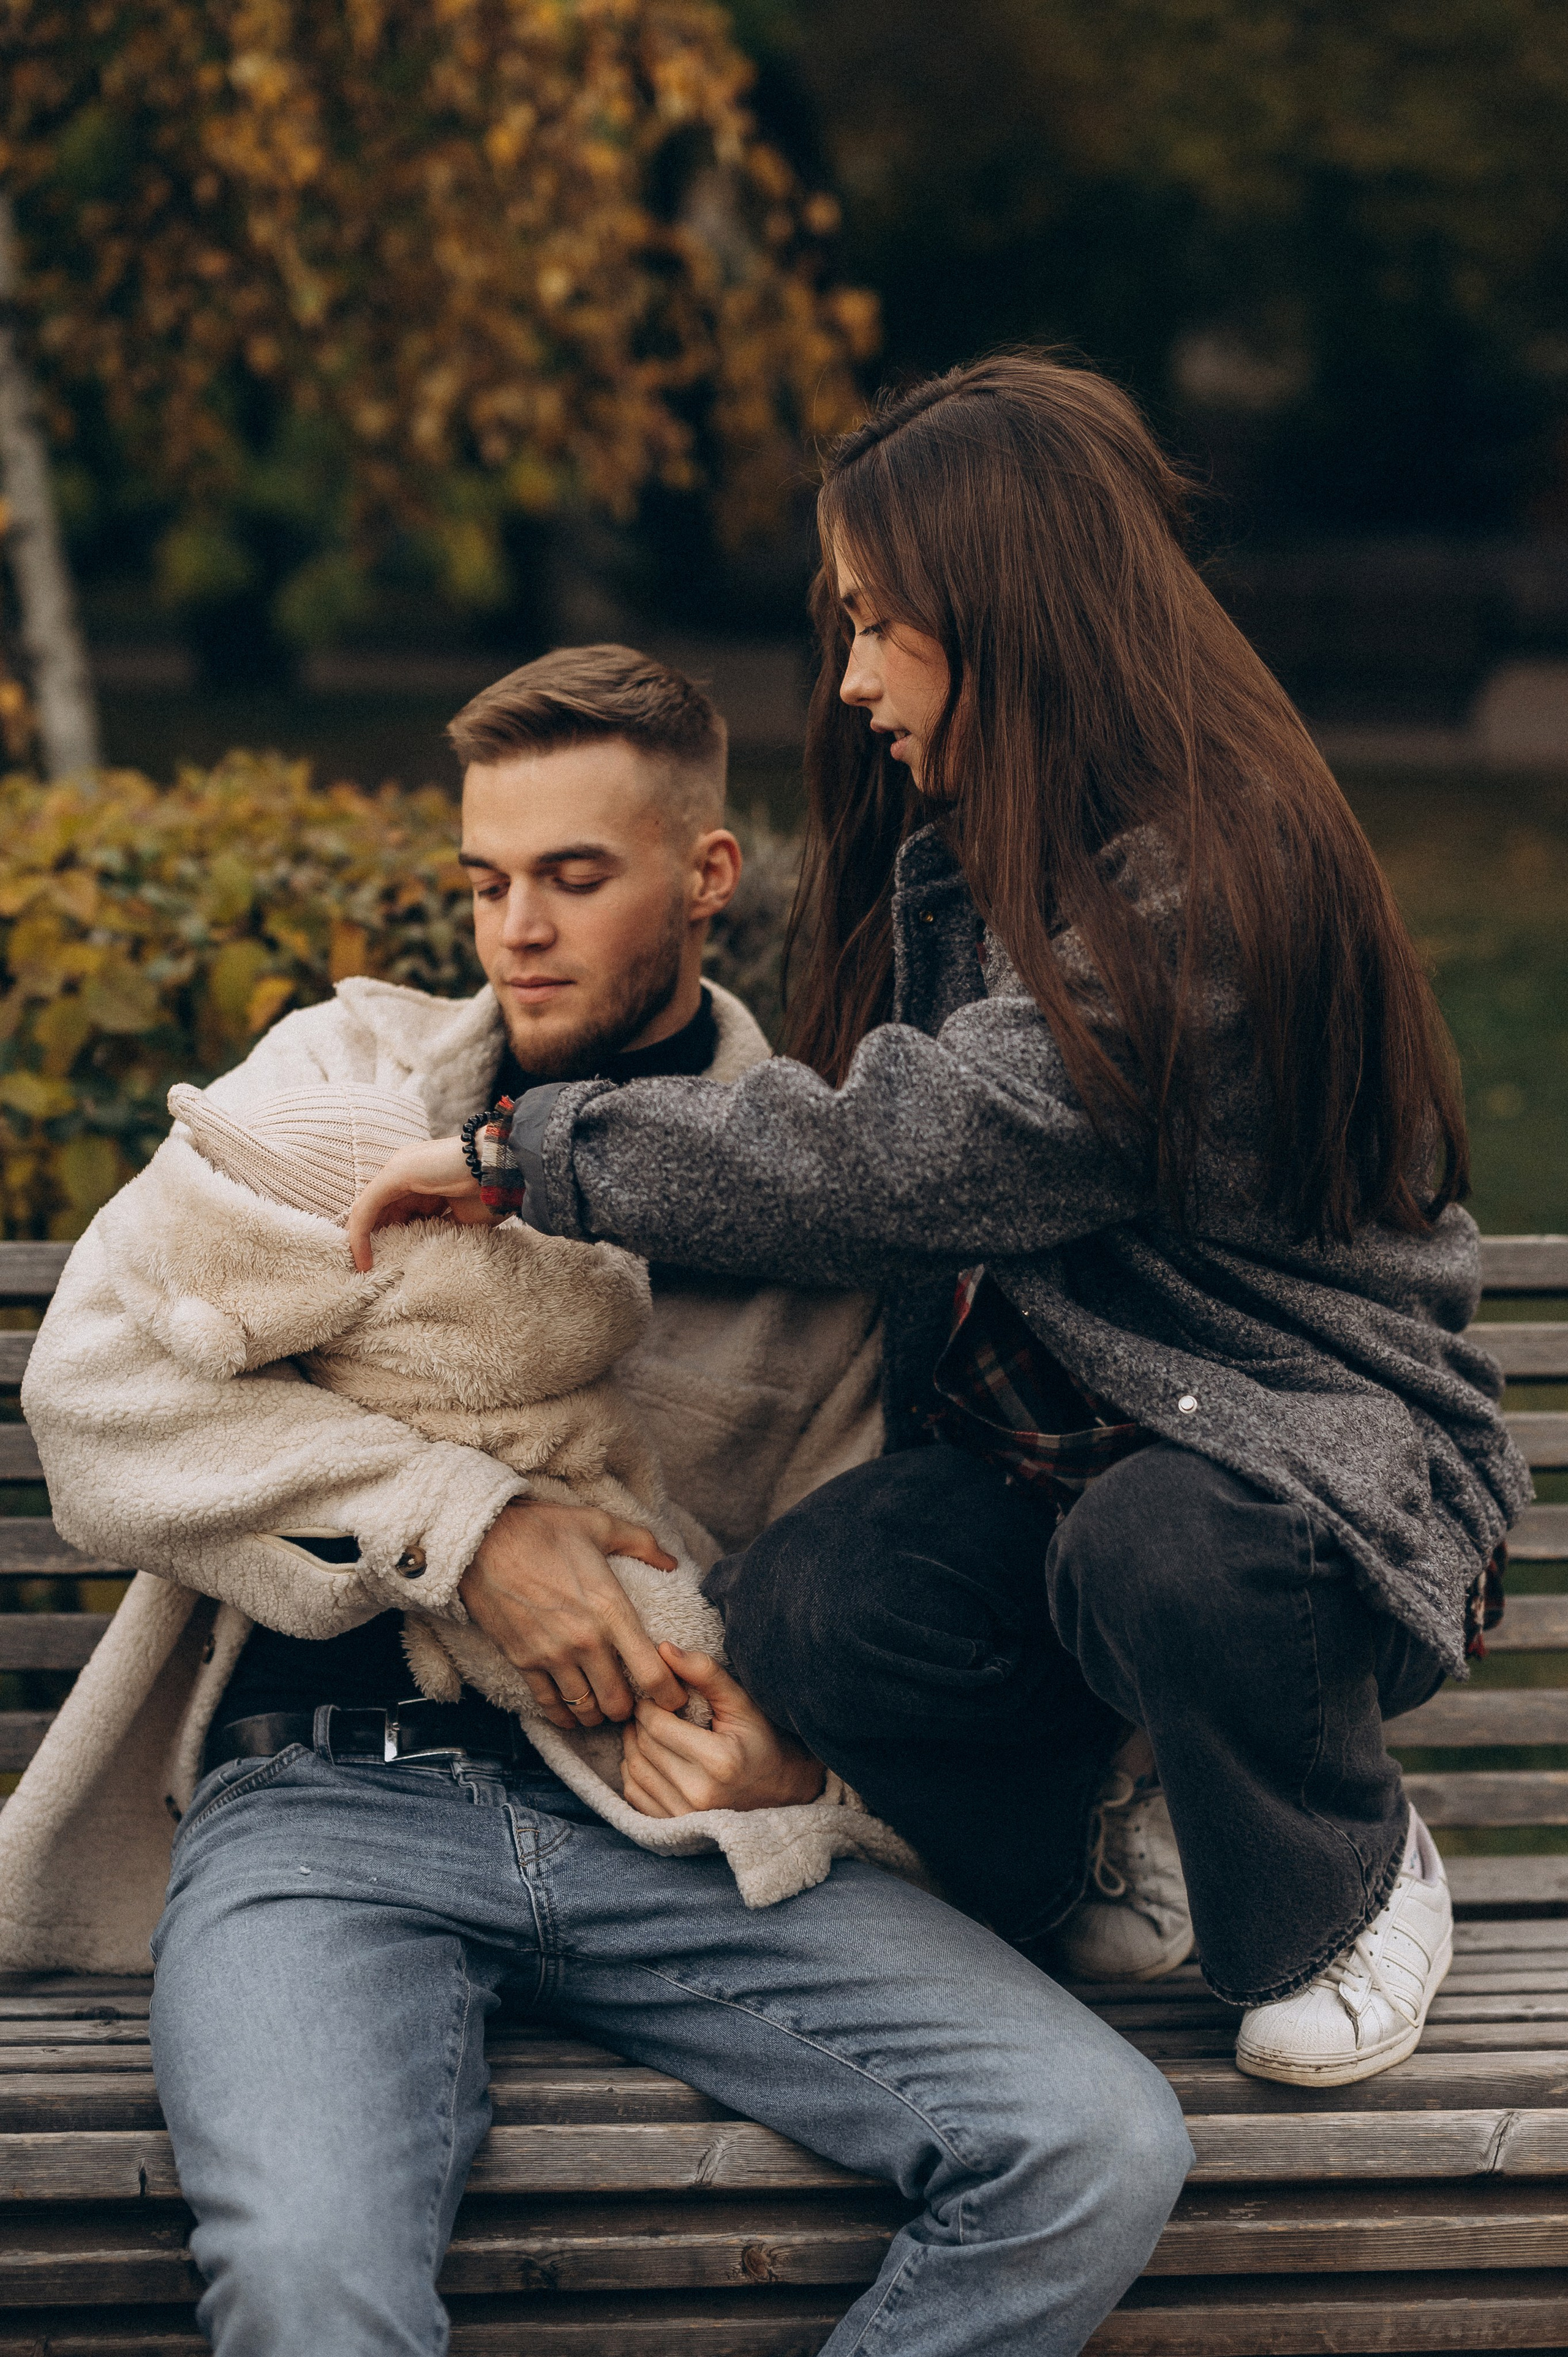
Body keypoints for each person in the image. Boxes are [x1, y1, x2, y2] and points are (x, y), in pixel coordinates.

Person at [349, 358, 1532, 2093]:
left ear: (1013, 614)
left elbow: (913, 1153)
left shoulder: (1215, 883)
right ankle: (1096, 1845)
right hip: (1066, 1485)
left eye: (882, 626)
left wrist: (542, 1150)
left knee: (1162, 1546)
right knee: (821, 1600)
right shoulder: (974, 851)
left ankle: (1341, 1884)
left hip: (1292, 1488)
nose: (851, 676)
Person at [18, 643, 1193, 2357]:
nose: (519, 929)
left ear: (709, 876)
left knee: (1095, 2145)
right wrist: (467, 1529)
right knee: (308, 2286)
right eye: (488, 882)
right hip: (328, 1812)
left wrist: (802, 1773)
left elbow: (867, 1595)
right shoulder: (345, 1084)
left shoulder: (826, 1203)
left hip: (680, 1841)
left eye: (574, 877)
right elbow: (97, 1405)